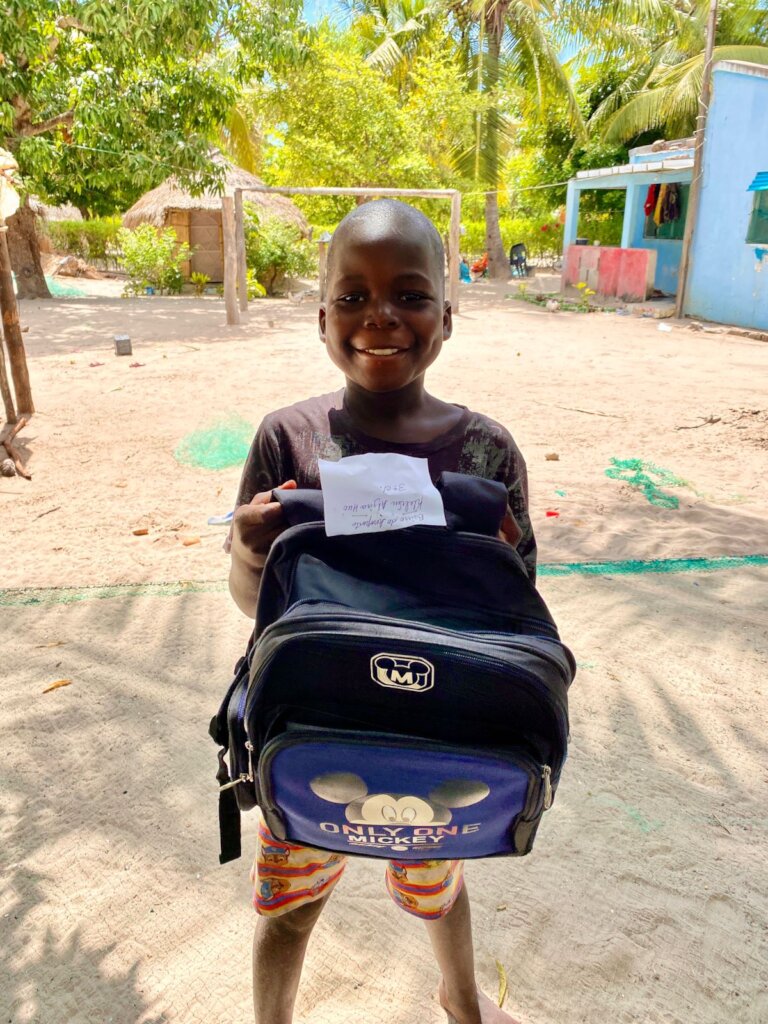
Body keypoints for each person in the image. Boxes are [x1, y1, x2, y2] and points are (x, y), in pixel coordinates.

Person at [227, 199, 536, 1024]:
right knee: (291, 903)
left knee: (437, 878)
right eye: (353, 296)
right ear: (321, 317)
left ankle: (459, 998)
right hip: (316, 718)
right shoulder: (288, 440)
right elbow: (256, 608)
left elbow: (519, 611)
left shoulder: (487, 452)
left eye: (410, 294)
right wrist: (250, 551)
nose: (381, 317)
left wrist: (503, 560)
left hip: (441, 724)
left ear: (447, 315)